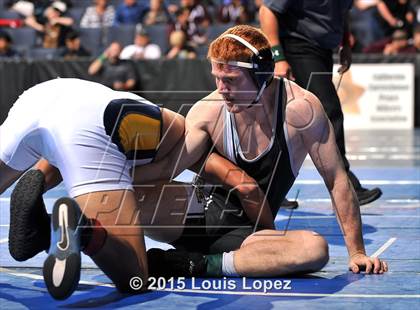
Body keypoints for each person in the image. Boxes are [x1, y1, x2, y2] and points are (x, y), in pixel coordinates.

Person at [6, 25, 388, 295]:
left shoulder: (302, 110)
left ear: (264, 75)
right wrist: (86, 169)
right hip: (191, 211)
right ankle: (60, 227)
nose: (221, 89)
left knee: (314, 249)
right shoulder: (207, 112)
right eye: (216, 78)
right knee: (125, 195)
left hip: (247, 232)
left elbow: (336, 179)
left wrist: (356, 252)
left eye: (231, 81)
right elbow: (164, 169)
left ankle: (189, 265)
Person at [0, 78, 186, 299]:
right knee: (134, 276)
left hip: (37, 99)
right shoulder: (192, 133)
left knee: (63, 149)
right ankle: (83, 231)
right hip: (92, 124)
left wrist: (38, 180)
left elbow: (63, 146)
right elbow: (175, 168)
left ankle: (36, 182)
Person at [259, 1, 383, 206]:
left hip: (322, 49)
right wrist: (278, 56)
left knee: (286, 122)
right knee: (328, 110)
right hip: (296, 45)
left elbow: (342, 12)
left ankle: (268, 189)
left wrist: (346, 45)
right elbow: (267, 11)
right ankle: (346, 186)